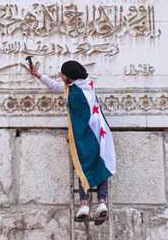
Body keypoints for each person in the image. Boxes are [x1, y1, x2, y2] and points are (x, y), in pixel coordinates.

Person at [25, 59, 116, 223]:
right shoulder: (86, 84)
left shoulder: (74, 94)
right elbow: (58, 86)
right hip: (100, 131)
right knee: (100, 162)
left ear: (70, 77)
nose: (61, 76)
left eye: (63, 74)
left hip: (86, 135)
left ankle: (84, 205)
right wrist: (38, 75)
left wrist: (73, 137)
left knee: (82, 165)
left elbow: (76, 117)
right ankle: (102, 203)